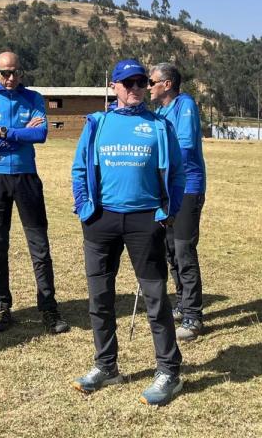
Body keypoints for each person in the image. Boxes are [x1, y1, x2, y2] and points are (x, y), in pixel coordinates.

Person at [70, 58, 186, 406]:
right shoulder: (98, 124)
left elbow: (178, 173)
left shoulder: (158, 127)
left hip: (144, 221)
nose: (135, 88)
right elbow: (79, 169)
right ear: (114, 87)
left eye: (140, 82)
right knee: (99, 298)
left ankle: (169, 372)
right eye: (128, 82)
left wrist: (168, 212)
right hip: (101, 221)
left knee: (155, 299)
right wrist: (85, 209)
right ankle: (106, 366)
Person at [0, 51, 70, 334]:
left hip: (27, 179)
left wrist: (2, 131)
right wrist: (18, 134)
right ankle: (2, 307)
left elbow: (39, 135)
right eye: (4, 73)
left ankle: (49, 308)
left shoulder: (34, 98)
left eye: (15, 72)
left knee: (39, 246)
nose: (10, 78)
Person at [148, 62, 207, 342]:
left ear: (167, 84)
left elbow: (183, 147)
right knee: (170, 250)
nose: (148, 87)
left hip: (187, 189)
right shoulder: (160, 111)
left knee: (184, 250)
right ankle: (182, 303)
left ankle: (193, 316)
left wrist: (154, 162)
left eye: (151, 82)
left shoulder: (185, 105)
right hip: (166, 190)